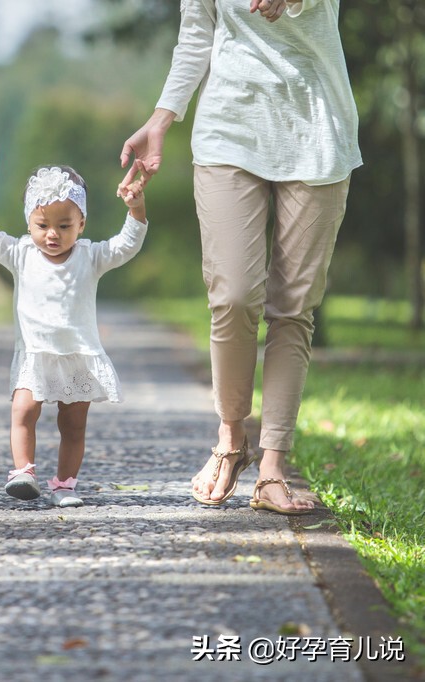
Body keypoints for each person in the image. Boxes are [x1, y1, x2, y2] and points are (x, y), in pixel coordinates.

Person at [119, 0, 362, 514]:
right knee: (232, 294)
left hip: (316, 131)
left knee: (293, 307)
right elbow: (195, 36)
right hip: (228, 131)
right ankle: (231, 438)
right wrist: (162, 119)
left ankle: (273, 467)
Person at [0, 164, 148, 507]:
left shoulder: (90, 256)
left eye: (64, 226)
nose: (53, 234)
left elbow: (125, 246)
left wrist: (135, 210)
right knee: (23, 410)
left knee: (73, 424)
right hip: (35, 353)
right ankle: (23, 473)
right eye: (42, 225)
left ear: (82, 225)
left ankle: (65, 485)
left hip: (77, 355)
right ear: (28, 223)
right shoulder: (21, 254)